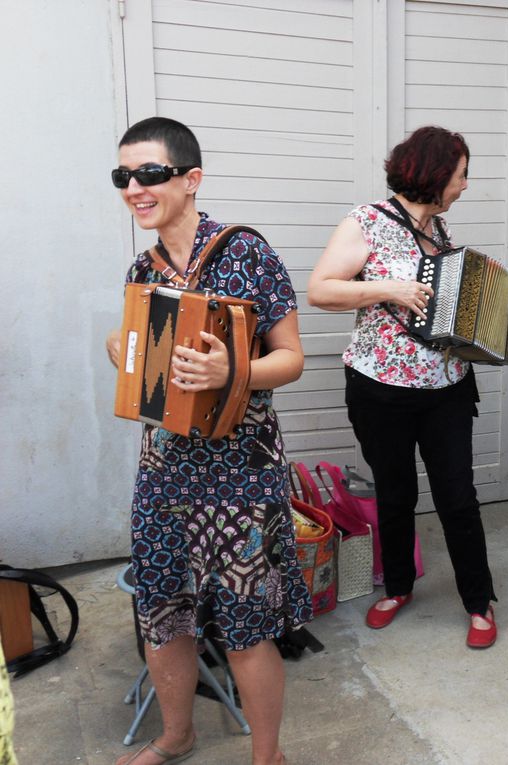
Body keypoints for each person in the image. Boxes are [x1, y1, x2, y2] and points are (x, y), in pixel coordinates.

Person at [105, 117, 312, 765]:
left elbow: (293, 358)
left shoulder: (245, 252)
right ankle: (177, 734)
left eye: (150, 174)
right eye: (123, 177)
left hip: (240, 476)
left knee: (248, 627)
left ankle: (267, 755)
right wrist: (121, 348)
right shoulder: (143, 265)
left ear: (190, 180)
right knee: (162, 611)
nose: (134, 187)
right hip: (164, 472)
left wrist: (235, 371)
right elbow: (139, 349)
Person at [307, 125, 508, 649]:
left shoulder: (441, 236)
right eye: (461, 176)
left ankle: (479, 603)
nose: (465, 186)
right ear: (434, 175)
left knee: (458, 496)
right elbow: (320, 289)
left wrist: (507, 322)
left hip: (447, 388)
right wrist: (389, 287)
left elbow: (455, 319)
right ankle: (399, 588)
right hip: (379, 388)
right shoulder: (366, 222)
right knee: (395, 493)